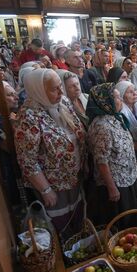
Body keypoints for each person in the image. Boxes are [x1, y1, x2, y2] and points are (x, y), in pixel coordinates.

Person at [14, 69, 86, 238]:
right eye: (54, 89)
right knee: (60, 221)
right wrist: (45, 189)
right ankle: (67, 252)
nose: (61, 91)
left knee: (77, 214)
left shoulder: (63, 102)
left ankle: (78, 246)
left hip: (74, 176)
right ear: (38, 90)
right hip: (53, 184)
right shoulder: (28, 117)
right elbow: (27, 160)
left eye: (60, 86)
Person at [86, 83, 137, 228]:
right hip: (117, 183)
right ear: (105, 101)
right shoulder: (102, 126)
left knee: (135, 218)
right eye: (117, 97)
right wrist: (112, 188)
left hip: (129, 177)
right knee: (123, 222)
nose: (120, 100)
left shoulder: (115, 117)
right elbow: (101, 161)